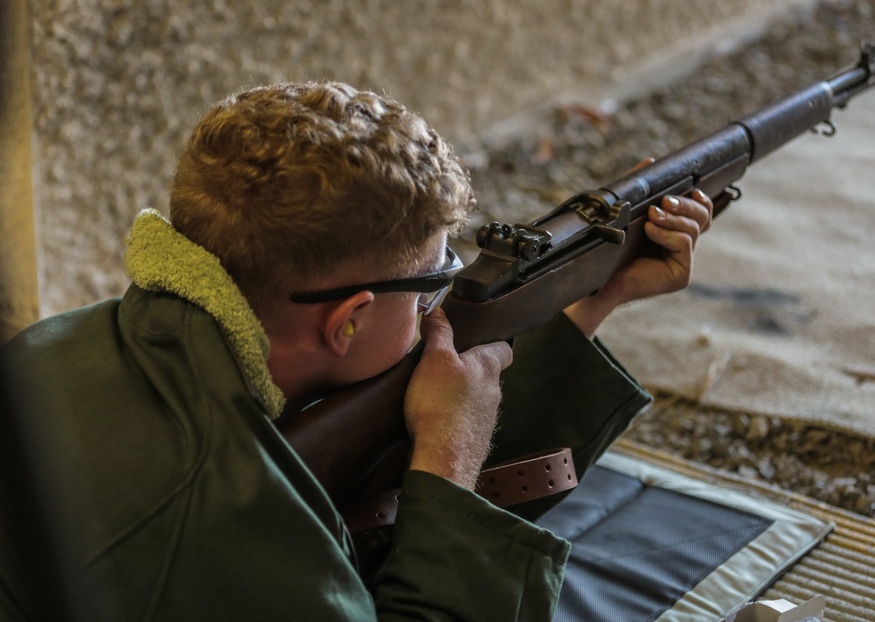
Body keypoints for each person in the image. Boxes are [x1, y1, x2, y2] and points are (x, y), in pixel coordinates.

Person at [0, 81, 712, 620]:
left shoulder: (55, 346)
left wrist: (598, 294)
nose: (442, 298)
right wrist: (449, 453)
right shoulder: (226, 515)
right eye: (436, 280)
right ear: (348, 322)